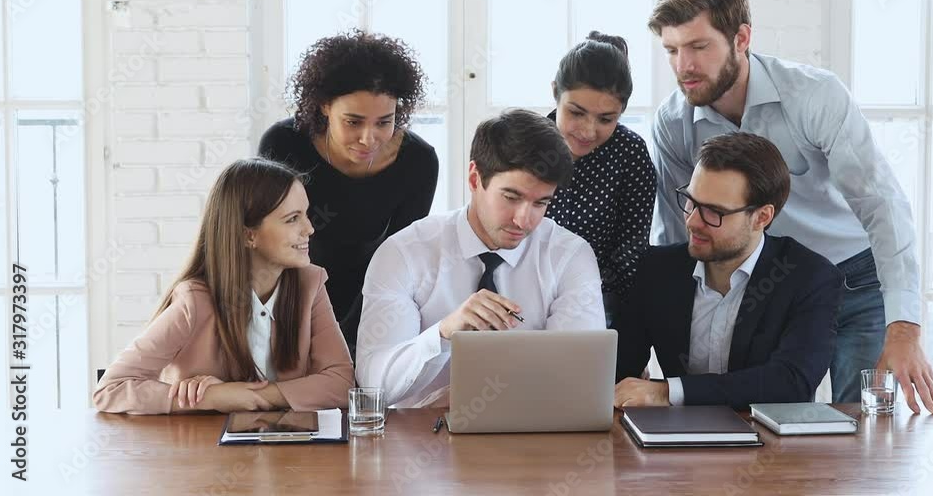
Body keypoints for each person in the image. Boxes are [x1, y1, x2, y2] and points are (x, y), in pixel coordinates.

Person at [646, 0, 933, 413]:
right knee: (761, 419)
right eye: (671, 50)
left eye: (698, 47)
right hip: (764, 289)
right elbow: (677, 233)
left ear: (741, 38)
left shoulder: (814, 96)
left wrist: (904, 327)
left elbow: (881, 205)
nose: (682, 66)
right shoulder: (673, 124)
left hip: (854, 281)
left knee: (862, 426)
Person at [356, 109, 606, 408]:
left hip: (532, 439)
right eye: (511, 197)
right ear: (475, 178)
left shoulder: (570, 256)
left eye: (541, 203)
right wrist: (443, 334)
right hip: (420, 440)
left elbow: (580, 377)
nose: (524, 220)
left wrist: (481, 401)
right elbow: (373, 387)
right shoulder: (405, 253)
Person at [94, 159, 354, 414]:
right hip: (202, 451)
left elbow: (342, 382)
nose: (309, 228)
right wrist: (211, 397)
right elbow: (110, 390)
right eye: (292, 219)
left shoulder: (310, 284)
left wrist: (248, 396)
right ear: (248, 235)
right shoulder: (194, 302)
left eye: (306, 214)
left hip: (286, 450)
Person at [615, 133, 841, 409]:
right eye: (691, 201)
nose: (693, 222)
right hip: (673, 441)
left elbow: (790, 382)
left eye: (713, 212)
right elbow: (619, 370)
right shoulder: (656, 270)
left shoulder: (810, 277)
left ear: (761, 217)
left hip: (771, 445)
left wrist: (667, 392)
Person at [260, 29, 439, 352]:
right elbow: (268, 243)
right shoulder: (284, 145)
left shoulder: (418, 162)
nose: (369, 138)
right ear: (325, 106)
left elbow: (400, 257)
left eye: (384, 122)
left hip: (373, 301)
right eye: (353, 122)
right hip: (287, 295)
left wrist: (350, 336)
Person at [546, 31, 656, 326]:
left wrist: (586, 298)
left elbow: (632, 248)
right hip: (525, 295)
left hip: (603, 300)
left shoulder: (631, 153)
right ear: (556, 91)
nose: (588, 130)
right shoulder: (525, 146)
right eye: (576, 113)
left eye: (606, 119)